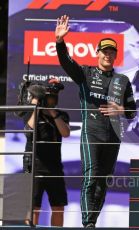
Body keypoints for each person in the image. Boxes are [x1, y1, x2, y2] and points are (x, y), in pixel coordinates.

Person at [54, 15, 136, 228]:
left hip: (114, 137)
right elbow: (66, 63)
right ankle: (88, 223)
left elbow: (133, 113)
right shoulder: (86, 73)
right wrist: (60, 42)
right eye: (105, 51)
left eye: (112, 52)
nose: (108, 55)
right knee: (91, 177)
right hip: (91, 133)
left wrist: (121, 109)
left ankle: (93, 221)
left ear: (116, 56)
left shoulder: (123, 80)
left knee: (103, 183)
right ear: (97, 53)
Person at [23, 78, 70, 227]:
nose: (52, 99)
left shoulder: (61, 115)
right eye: (49, 96)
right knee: (34, 209)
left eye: (54, 97)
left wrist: (52, 112)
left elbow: (66, 133)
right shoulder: (32, 113)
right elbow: (29, 132)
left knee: (58, 207)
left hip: (54, 168)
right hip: (34, 167)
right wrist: (36, 106)